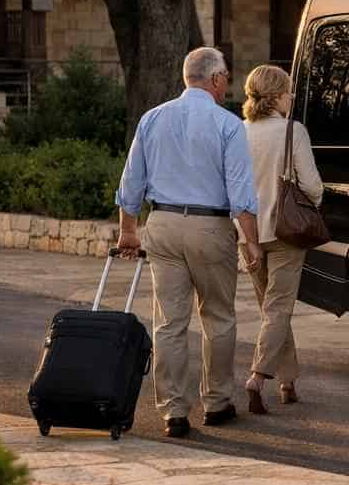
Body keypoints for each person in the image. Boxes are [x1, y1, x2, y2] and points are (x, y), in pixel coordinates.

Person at [116, 48, 261, 439]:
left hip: (161, 223)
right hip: (210, 227)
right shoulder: (228, 125)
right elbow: (241, 192)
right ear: (214, 79)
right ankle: (217, 403)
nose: (227, 83)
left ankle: (174, 413)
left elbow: (132, 181)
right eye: (226, 77)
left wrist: (128, 229)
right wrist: (252, 241)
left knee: (169, 323)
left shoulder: (152, 118)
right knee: (218, 318)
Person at [239, 65, 323, 415]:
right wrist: (311, 205)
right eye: (288, 91)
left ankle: (288, 382)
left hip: (248, 234)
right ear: (275, 96)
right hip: (286, 231)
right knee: (279, 308)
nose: (292, 97)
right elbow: (313, 187)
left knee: (272, 310)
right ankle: (258, 377)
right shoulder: (294, 131)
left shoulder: (237, 132)